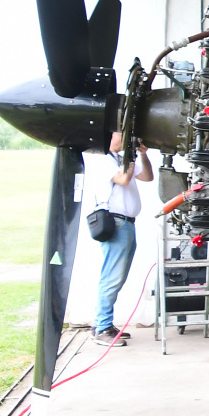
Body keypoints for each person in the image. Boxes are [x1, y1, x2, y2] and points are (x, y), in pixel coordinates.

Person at [92, 131, 153, 344]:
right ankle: (102, 327)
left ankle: (103, 323)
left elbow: (147, 177)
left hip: (126, 223)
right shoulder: (104, 160)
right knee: (112, 277)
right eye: (120, 134)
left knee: (116, 276)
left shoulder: (120, 160)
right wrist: (131, 156)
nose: (124, 137)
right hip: (116, 223)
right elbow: (124, 179)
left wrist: (142, 156)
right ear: (110, 138)